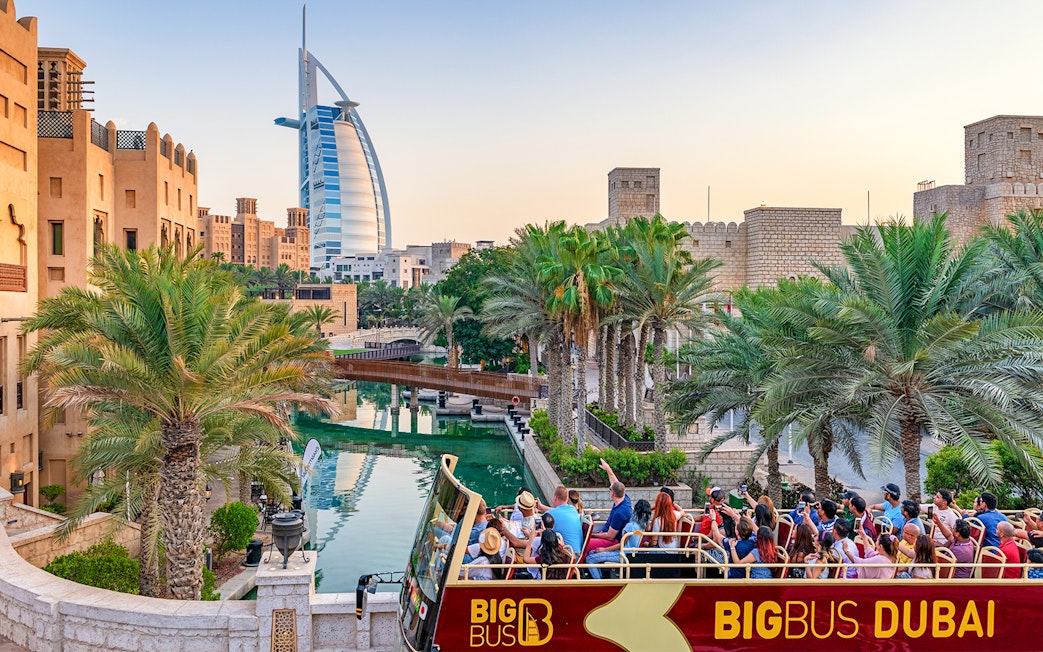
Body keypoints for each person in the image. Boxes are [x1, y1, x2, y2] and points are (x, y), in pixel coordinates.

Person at [585, 499, 651, 579]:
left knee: (590, 559)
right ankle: (601, 577)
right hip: (630, 554)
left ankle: (598, 582)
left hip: (622, 555)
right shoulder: (643, 527)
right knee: (592, 552)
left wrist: (604, 549)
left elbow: (621, 544)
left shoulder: (630, 526)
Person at [585, 459, 633, 556]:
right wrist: (608, 469)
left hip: (613, 541)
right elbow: (615, 483)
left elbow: (610, 536)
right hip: (605, 533)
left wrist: (592, 535)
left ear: (612, 494)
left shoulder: (620, 513)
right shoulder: (625, 498)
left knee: (585, 543)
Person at [541, 486, 583, 554]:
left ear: (555, 498)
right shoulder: (573, 510)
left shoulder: (549, 515)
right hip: (577, 553)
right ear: (567, 499)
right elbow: (559, 511)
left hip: (566, 555)